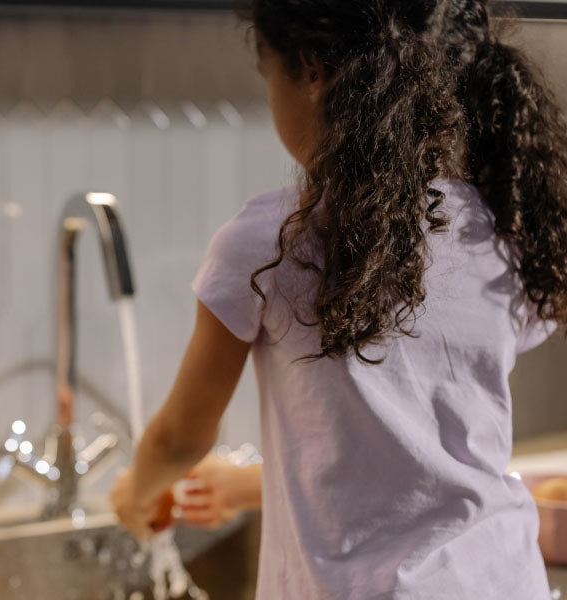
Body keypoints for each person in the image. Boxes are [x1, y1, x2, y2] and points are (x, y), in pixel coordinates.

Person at [112, 1, 567, 598]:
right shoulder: (499, 232)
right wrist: (247, 486)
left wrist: (136, 492)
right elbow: (408, 457)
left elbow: (179, 439)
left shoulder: (273, 242)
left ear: (310, 71)